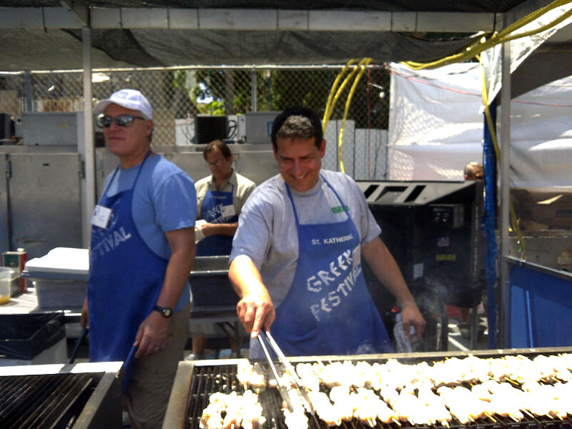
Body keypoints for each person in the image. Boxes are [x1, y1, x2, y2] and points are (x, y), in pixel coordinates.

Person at [228, 106, 425, 358]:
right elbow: (242, 258)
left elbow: (373, 247)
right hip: (292, 344)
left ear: (322, 148)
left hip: (357, 337)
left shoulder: (345, 188)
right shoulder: (265, 203)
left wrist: (406, 301)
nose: (297, 170)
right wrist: (253, 290)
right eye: (287, 160)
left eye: (306, 158)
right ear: (275, 153)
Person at [81, 89, 196, 428]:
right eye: (108, 121)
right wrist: (92, 297)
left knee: (151, 416)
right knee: (116, 404)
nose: (113, 127)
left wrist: (161, 314)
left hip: (152, 314)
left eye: (125, 120)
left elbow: (183, 250)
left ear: (148, 127)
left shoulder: (166, 178)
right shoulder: (113, 177)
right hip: (115, 314)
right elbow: (105, 246)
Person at [191, 139, 256, 358]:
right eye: (210, 163)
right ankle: (197, 353)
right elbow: (191, 219)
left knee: (234, 308)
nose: (215, 167)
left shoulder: (246, 188)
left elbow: (249, 227)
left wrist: (215, 228)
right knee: (201, 308)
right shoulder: (200, 187)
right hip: (203, 258)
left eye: (219, 161)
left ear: (230, 159)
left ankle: (237, 353)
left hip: (234, 260)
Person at [457, 161, 486, 340]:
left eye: (484, 177)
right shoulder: (461, 194)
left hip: (484, 242)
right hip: (466, 245)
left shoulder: (486, 193)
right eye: (480, 177)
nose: (483, 180)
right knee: (465, 284)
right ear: (467, 178)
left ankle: (490, 321)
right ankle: (465, 321)